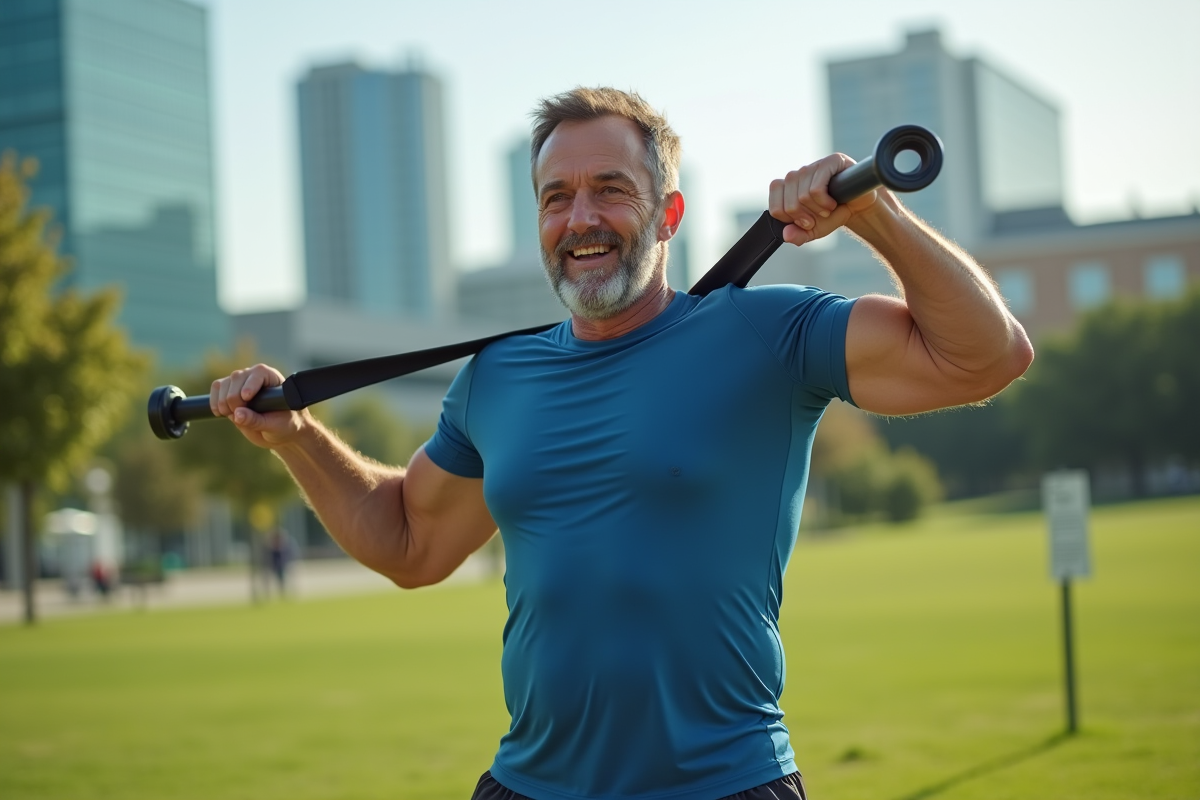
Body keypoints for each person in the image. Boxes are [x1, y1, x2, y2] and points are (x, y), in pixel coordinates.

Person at [209, 88, 1033, 800]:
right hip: (527, 784)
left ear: (669, 212)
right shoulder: (498, 377)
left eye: (611, 189)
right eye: (555, 196)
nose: (581, 219)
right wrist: (297, 438)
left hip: (725, 783)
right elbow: (411, 543)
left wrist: (871, 214)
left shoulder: (769, 331)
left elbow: (986, 356)